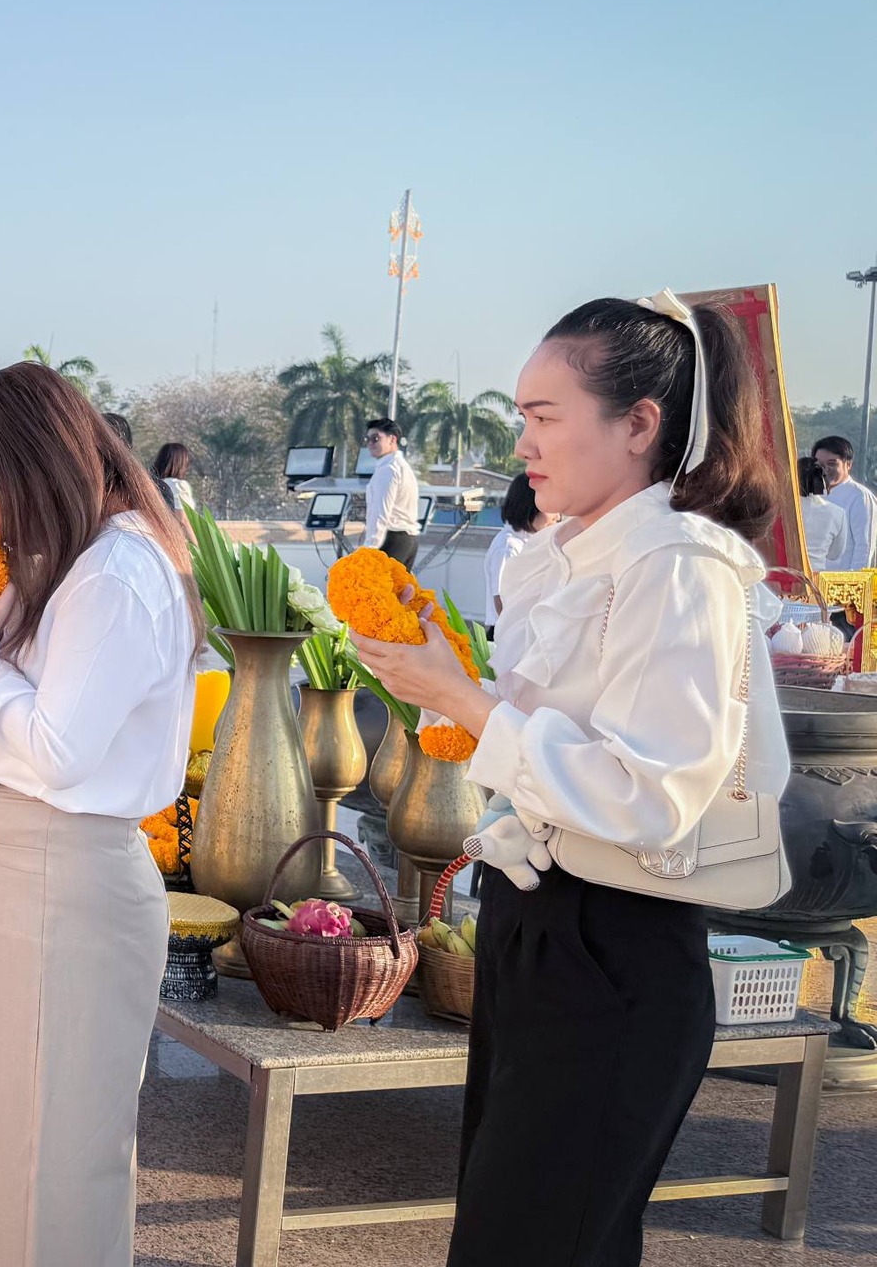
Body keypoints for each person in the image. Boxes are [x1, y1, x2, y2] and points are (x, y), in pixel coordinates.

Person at [354, 293, 787, 1267]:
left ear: (638, 424)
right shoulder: (572, 553)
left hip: (613, 944)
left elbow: (649, 796)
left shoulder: (676, 565)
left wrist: (464, 702)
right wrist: (436, 677)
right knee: (517, 1235)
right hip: (537, 924)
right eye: (520, 415)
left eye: (543, 417)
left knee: (537, 1241)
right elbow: (525, 734)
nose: (521, 441)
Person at [0, 362, 202, 1267]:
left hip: (64, 872)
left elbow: (58, 748)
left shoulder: (116, 574)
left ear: (32, 464)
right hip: (40, 865)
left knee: (56, 1155)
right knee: (29, 1140)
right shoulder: (87, 562)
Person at [482, 472, 554, 635]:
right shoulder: (508, 546)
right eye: (550, 508)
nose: (556, 516)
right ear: (529, 507)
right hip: (507, 635)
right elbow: (500, 600)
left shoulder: (533, 543)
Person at [362, 416, 421, 567]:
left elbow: (380, 513)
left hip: (391, 539)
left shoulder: (388, 470)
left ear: (392, 439)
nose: (370, 443)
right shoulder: (401, 466)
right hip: (408, 540)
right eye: (367, 439)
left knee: (376, 590)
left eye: (375, 438)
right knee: (400, 590)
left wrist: (369, 550)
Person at [814, 435, 874, 570]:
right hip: (813, 580)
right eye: (819, 465)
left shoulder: (859, 496)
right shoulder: (812, 495)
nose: (825, 469)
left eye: (832, 464)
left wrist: (855, 583)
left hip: (842, 584)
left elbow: (865, 546)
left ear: (848, 464)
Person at [799, 456, 848, 576]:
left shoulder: (780, 509)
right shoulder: (838, 513)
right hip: (816, 581)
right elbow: (834, 555)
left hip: (781, 579)